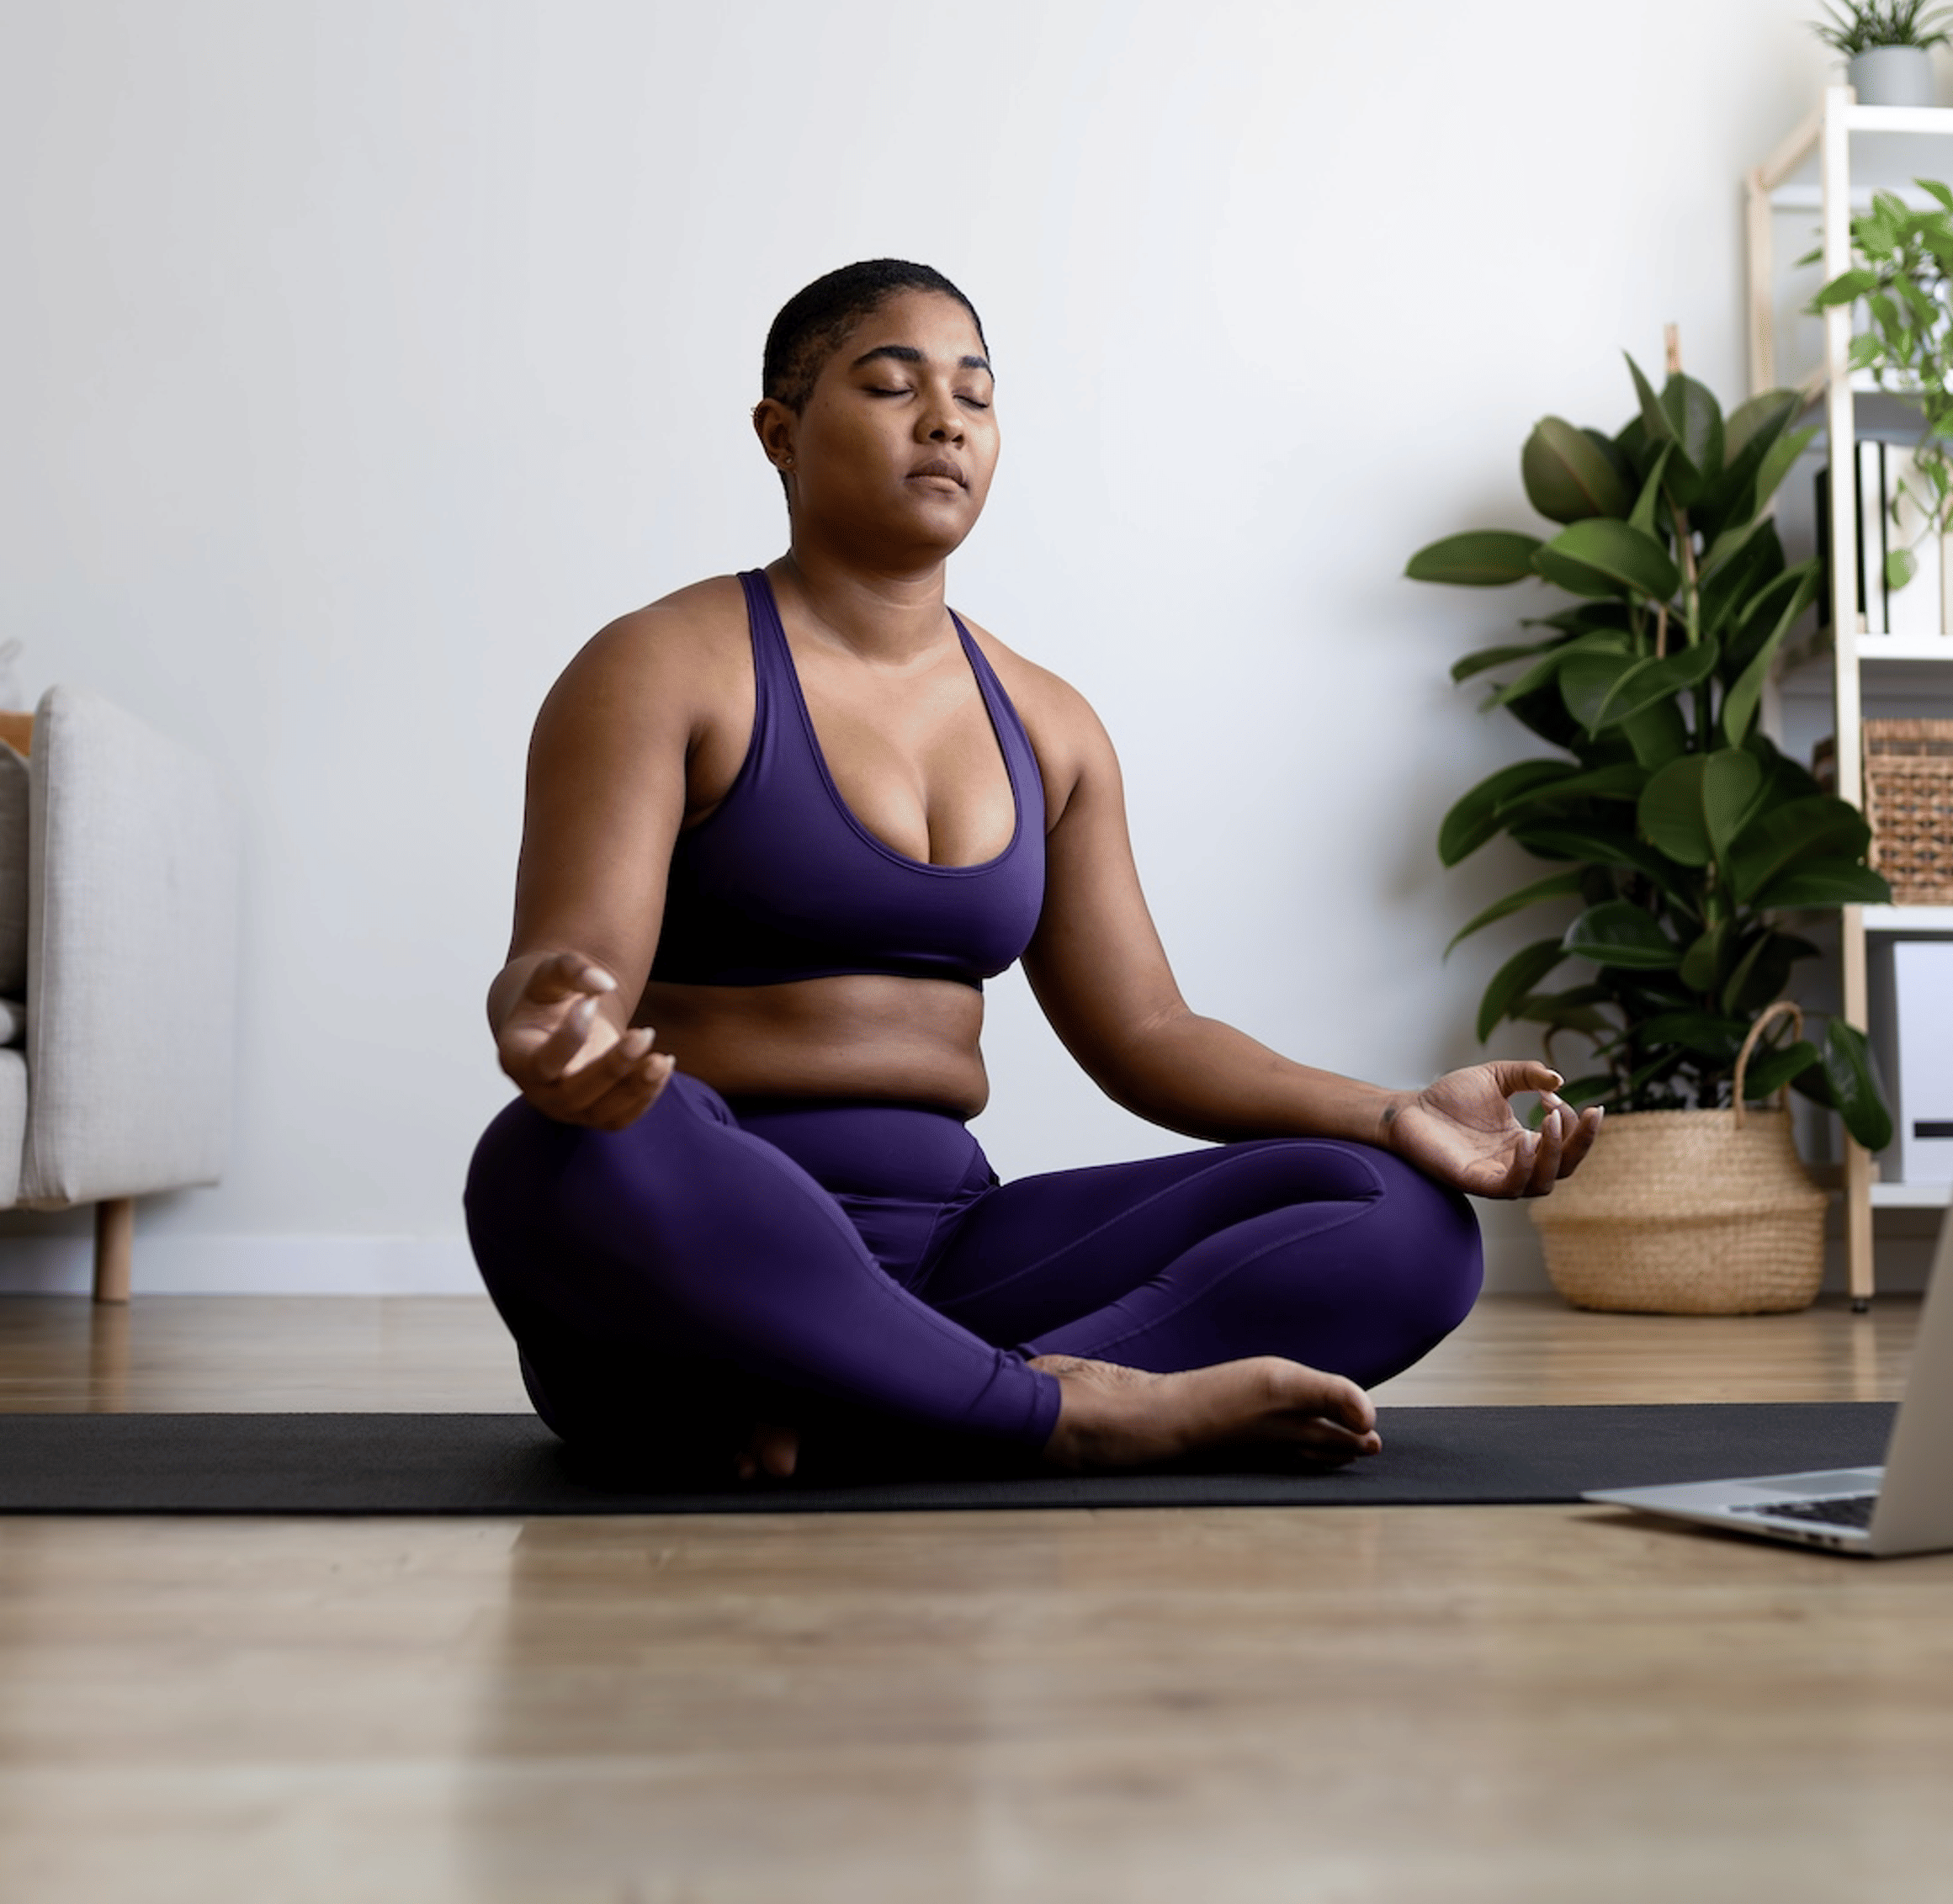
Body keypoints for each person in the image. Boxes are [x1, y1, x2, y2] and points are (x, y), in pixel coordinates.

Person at [466, 259, 1601, 1482]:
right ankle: (1071, 1416)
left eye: (975, 394)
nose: (945, 418)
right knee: (552, 1157)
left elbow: (1149, 1031)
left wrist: (1392, 1113)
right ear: (780, 434)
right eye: (893, 386)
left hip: (955, 1250)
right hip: (707, 1242)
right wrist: (555, 1030)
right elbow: (568, 972)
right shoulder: (661, 666)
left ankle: (895, 1406)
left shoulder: (1049, 723)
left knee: (1405, 1222)